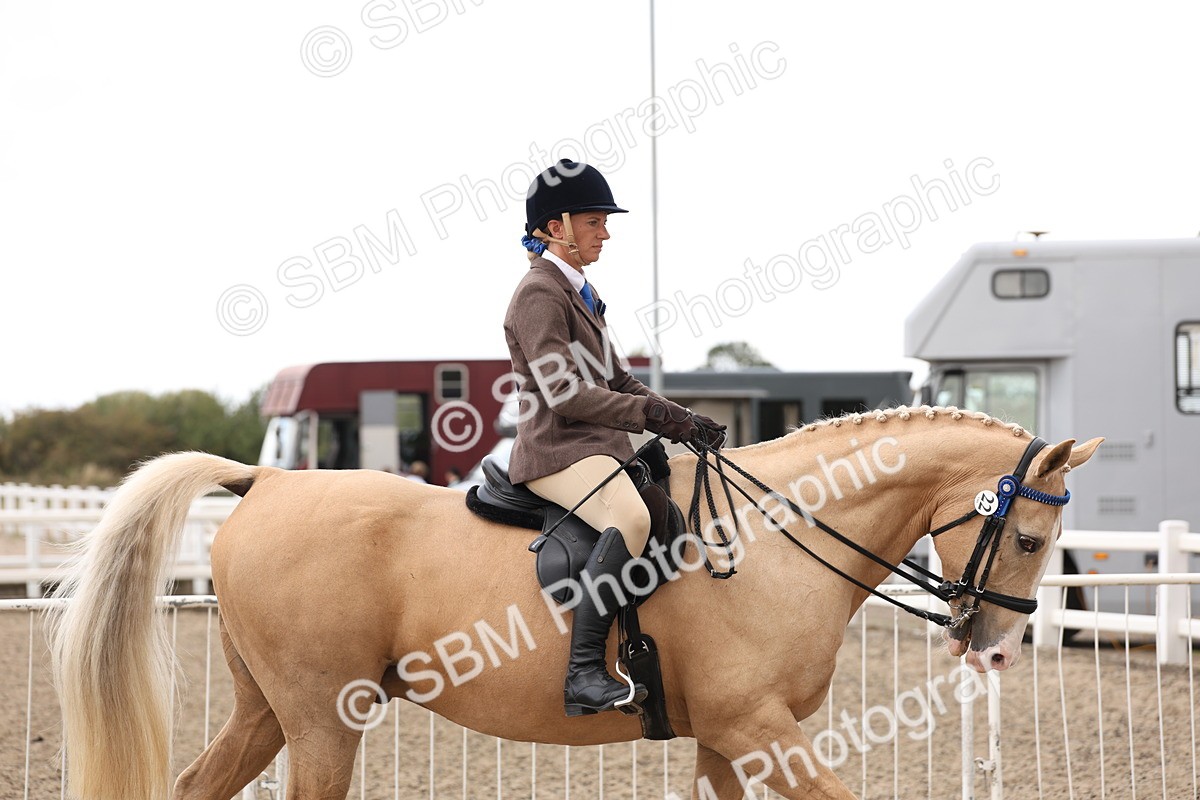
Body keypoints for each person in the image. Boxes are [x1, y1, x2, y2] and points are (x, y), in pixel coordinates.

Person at [504, 159, 724, 716]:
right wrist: (653, 416)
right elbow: (567, 395)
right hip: (558, 448)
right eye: (594, 222)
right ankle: (583, 672)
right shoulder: (538, 293)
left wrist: (681, 418)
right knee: (631, 517)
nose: (606, 232)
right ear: (557, 226)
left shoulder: (580, 291)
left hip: (596, 446)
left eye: (604, 222)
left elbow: (616, 379)